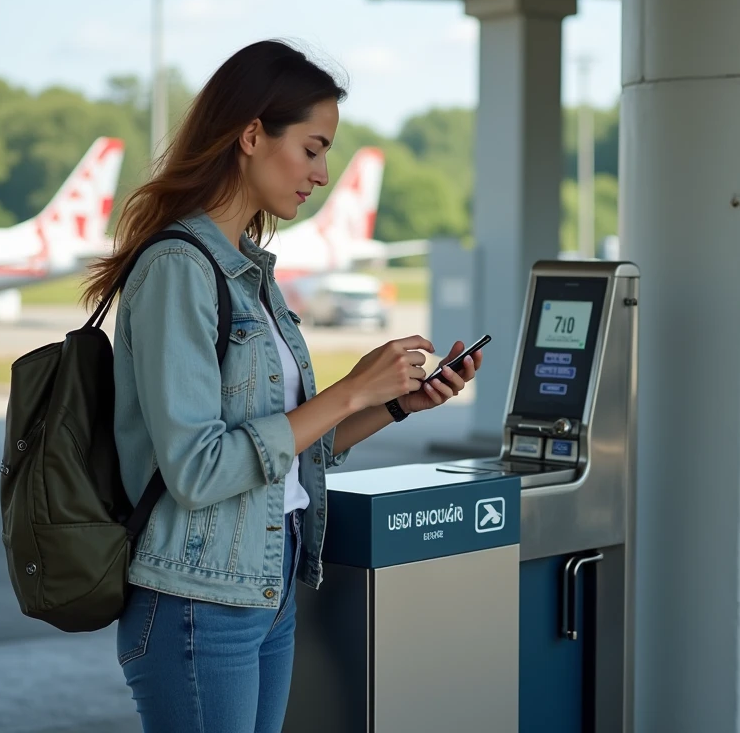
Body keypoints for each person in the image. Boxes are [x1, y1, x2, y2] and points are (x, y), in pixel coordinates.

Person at [80, 39, 483, 733]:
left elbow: (291, 454)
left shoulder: (251, 273)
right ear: (251, 135)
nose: (322, 174)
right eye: (313, 148)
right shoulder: (179, 267)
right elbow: (200, 470)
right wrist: (349, 391)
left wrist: (390, 403)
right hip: (197, 604)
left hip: (266, 589)